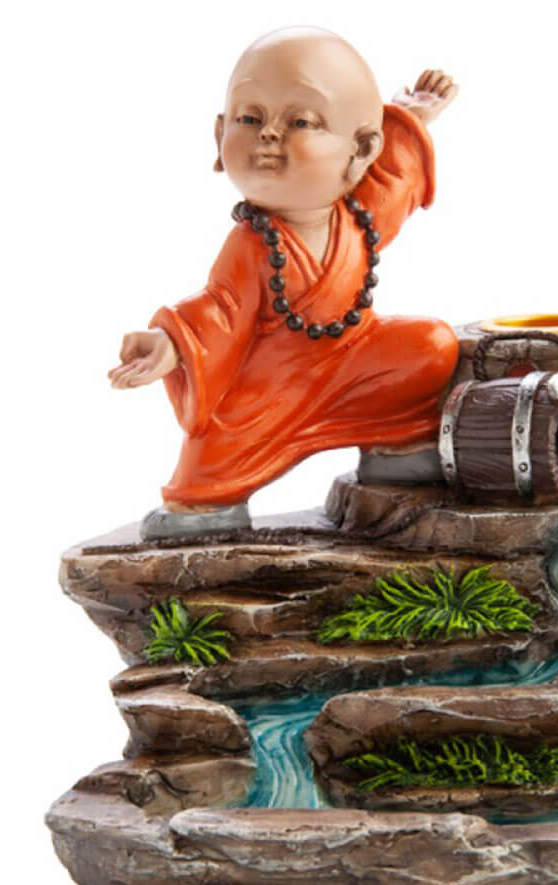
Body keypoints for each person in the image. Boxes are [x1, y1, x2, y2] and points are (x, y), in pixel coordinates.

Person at [107, 27, 460, 540]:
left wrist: (409, 117)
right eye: (250, 119)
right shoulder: (253, 244)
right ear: (219, 135)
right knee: (214, 450)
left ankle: (395, 445)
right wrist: (172, 345)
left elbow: (395, 179)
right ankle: (208, 508)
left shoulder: (358, 218)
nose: (268, 134)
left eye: (300, 122)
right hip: (271, 389)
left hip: (352, 360)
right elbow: (222, 307)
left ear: (362, 150)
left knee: (432, 345)